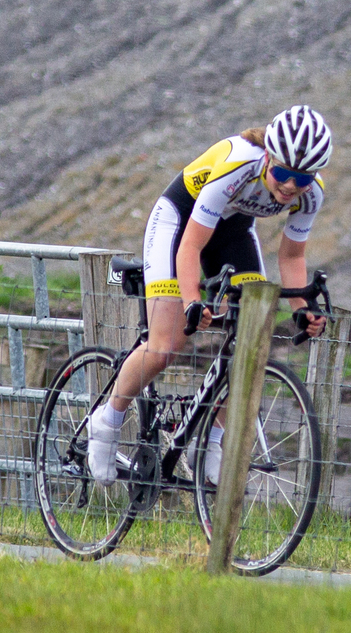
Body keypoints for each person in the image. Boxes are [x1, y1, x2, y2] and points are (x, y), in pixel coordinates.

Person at [87, 105, 333, 483]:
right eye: (282, 173)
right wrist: (191, 302)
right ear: (268, 156)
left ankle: (210, 444)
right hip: (180, 222)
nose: (289, 188)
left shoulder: (310, 194)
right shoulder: (239, 165)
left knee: (251, 346)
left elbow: (292, 255)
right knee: (166, 343)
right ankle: (106, 422)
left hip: (232, 232)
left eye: (301, 180)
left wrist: (304, 308)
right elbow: (190, 247)